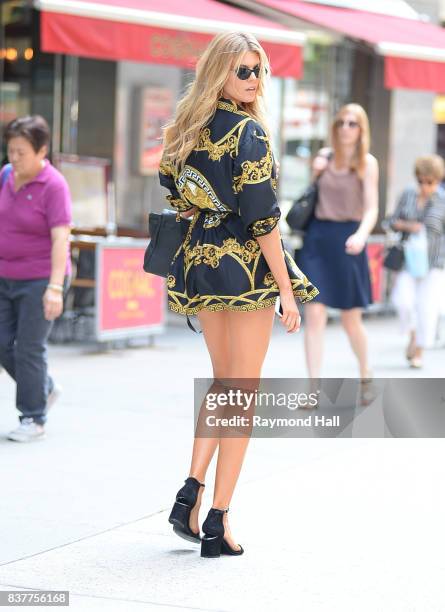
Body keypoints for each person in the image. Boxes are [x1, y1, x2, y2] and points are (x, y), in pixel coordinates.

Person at [158, 31, 318, 558]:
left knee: (224, 387)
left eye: (259, 70)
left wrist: (203, 208)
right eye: (243, 70)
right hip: (245, 270)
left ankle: (190, 494)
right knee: (241, 397)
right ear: (219, 72)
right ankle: (218, 521)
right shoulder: (249, 132)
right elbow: (263, 220)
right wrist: (287, 292)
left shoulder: (188, 126)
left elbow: (171, 183)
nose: (253, 80)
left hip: (202, 264)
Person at [0, 115, 72, 442]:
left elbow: (61, 240)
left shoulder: (54, 186)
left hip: (41, 278)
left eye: (21, 153)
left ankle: (33, 417)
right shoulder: (5, 176)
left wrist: (54, 289)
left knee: (29, 347)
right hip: (5, 274)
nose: (13, 159)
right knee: (3, 344)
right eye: (10, 151)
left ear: (41, 150)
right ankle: (43, 386)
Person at [296, 104, 379, 380]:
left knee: (350, 319)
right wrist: (316, 171)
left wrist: (361, 235)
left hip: (349, 241)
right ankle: (313, 386)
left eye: (352, 123)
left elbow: (371, 208)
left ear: (361, 129)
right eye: (341, 122)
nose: (345, 127)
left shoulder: (368, 164)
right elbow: (311, 196)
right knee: (315, 314)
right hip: (318, 239)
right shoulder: (324, 157)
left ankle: (365, 371)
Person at [389, 155, 445, 368]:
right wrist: (408, 226)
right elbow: (392, 220)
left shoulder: (442, 200)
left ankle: (419, 350)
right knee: (402, 301)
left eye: (429, 182)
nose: (424, 186)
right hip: (407, 259)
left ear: (438, 180)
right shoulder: (408, 194)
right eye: (421, 180)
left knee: (427, 308)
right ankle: (412, 334)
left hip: (434, 262)